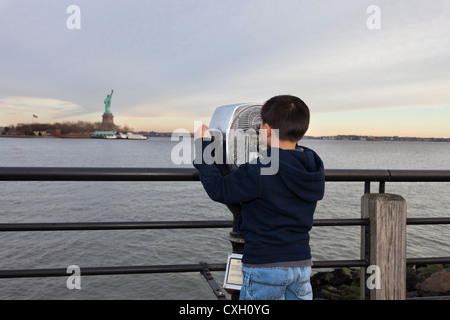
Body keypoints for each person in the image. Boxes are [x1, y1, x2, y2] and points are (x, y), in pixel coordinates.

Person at [193, 95, 325, 300]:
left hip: (265, 266)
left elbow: (219, 189)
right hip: (301, 264)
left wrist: (203, 146)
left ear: (267, 130)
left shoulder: (259, 170)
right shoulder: (312, 165)